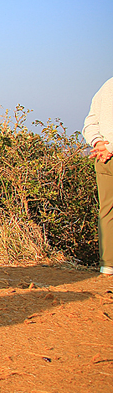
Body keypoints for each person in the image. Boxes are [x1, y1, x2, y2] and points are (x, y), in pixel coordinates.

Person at [84, 76, 113, 274]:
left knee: (107, 210)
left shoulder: (108, 85)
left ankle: (107, 265)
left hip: (103, 156)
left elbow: (90, 121)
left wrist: (99, 143)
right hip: (106, 153)